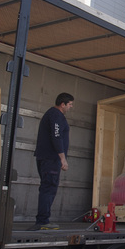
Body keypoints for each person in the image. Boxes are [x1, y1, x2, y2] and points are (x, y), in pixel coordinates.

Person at [33, 92, 73, 230]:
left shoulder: (53, 114)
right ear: (63, 104)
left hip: (46, 157)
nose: (70, 107)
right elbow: (56, 136)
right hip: (50, 158)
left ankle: (42, 220)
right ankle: (43, 221)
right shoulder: (56, 115)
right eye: (70, 104)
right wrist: (63, 158)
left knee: (46, 188)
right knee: (49, 188)